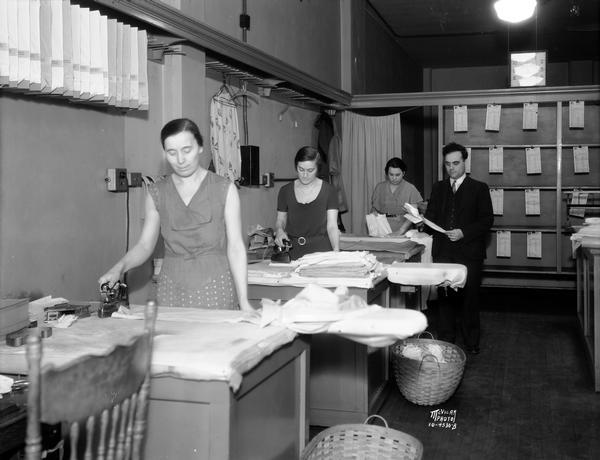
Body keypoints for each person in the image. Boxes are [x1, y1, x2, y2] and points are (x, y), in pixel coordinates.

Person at [99, 118, 253, 311]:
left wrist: (244, 300)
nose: (180, 160)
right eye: (172, 153)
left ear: (200, 147)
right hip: (171, 291)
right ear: (165, 153)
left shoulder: (225, 189)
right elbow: (145, 246)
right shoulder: (156, 192)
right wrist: (119, 268)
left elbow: (236, 247)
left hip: (216, 288)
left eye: (186, 150)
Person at [424, 142, 493, 354]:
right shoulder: (438, 188)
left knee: (469, 299)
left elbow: (487, 220)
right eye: (447, 164)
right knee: (444, 299)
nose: (452, 168)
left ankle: (471, 343)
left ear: (464, 162)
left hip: (469, 252)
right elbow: (432, 218)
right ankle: (446, 340)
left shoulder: (479, 188)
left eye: (456, 163)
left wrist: (464, 232)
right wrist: (420, 218)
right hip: (444, 251)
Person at [275, 146, 340, 260]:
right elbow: (281, 220)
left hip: (321, 252)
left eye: (310, 170)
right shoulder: (285, 191)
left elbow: (332, 226)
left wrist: (336, 251)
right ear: (296, 166)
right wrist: (279, 231)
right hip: (293, 252)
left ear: (317, 169)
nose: (305, 175)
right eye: (301, 169)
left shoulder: (329, 191)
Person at [371, 157, 423, 234]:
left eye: (397, 175)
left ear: (403, 173)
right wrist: (373, 224)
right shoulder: (380, 187)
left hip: (403, 229)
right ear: (386, 173)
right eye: (391, 174)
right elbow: (374, 209)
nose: (394, 178)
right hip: (381, 228)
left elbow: (413, 215)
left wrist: (401, 230)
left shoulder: (410, 188)